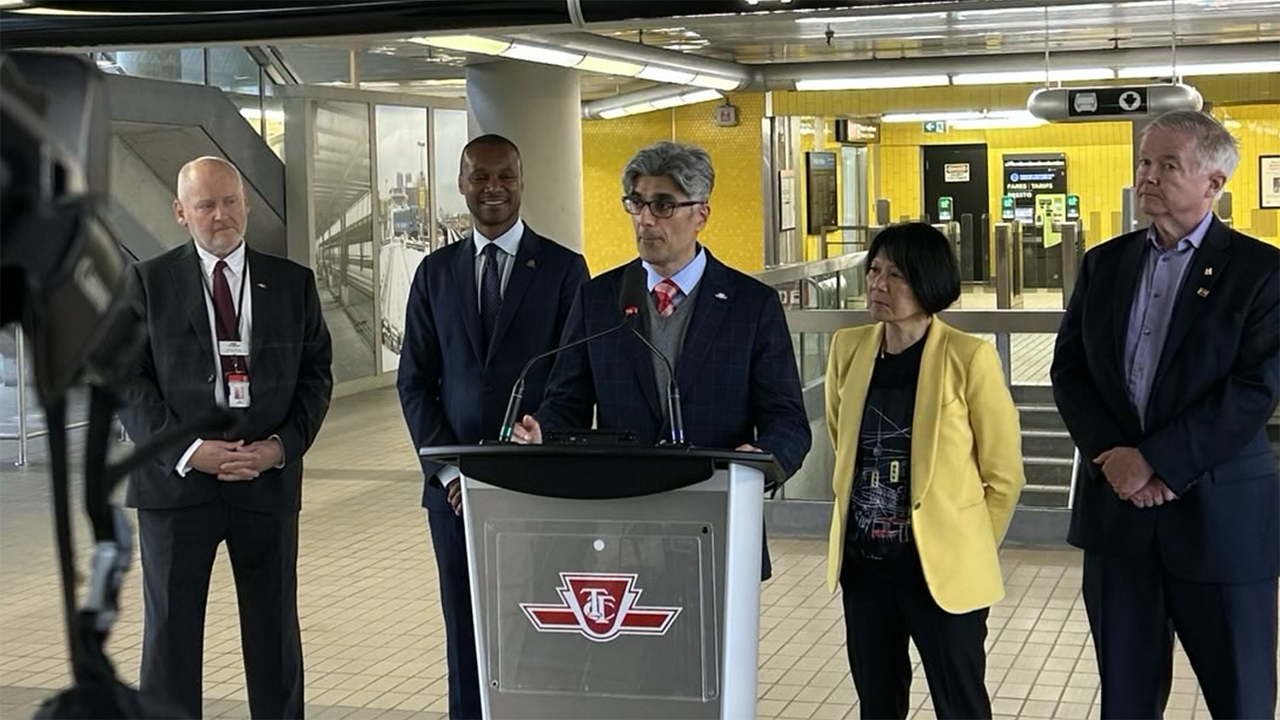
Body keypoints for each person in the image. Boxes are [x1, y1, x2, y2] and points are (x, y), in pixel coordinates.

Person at [1051, 110, 1280, 719]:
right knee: (1124, 700)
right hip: (1118, 521)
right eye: (1145, 162)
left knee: (1242, 698)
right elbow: (1069, 372)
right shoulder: (1105, 263)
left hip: (1220, 523)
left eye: (1167, 165)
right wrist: (1113, 457)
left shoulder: (1263, 273)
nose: (1146, 176)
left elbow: (1254, 391)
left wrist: (1154, 460)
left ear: (1214, 184)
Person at [510, 140, 811, 580]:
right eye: (637, 203)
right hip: (617, 536)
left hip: (716, 527)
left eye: (664, 205)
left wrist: (760, 459)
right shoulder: (598, 299)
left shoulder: (751, 305)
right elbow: (567, 400)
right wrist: (544, 430)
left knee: (711, 652)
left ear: (701, 215)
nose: (646, 218)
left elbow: (789, 422)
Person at [119, 156, 333, 719]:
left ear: (247, 203)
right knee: (170, 640)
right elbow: (125, 380)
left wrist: (279, 447)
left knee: (274, 638)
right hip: (176, 488)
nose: (222, 216)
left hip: (264, 486)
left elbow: (316, 378)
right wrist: (190, 450)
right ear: (180, 212)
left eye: (231, 201)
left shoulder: (292, 284)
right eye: (206, 205)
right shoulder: (145, 283)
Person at [396, 134, 589, 720]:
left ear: (522, 181)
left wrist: (539, 440)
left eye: (505, 176)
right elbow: (415, 382)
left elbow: (574, 377)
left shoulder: (563, 269)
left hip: (538, 488)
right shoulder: (434, 273)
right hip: (455, 496)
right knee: (465, 628)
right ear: (461, 184)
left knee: (540, 627)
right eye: (480, 177)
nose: (493, 189)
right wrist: (450, 472)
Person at [823, 223, 1024, 719]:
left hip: (939, 571)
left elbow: (1004, 475)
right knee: (878, 701)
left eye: (896, 275)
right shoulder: (848, 349)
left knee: (960, 704)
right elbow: (843, 440)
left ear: (929, 283)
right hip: (865, 566)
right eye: (874, 270)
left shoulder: (969, 357)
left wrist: (967, 542)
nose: (878, 285)